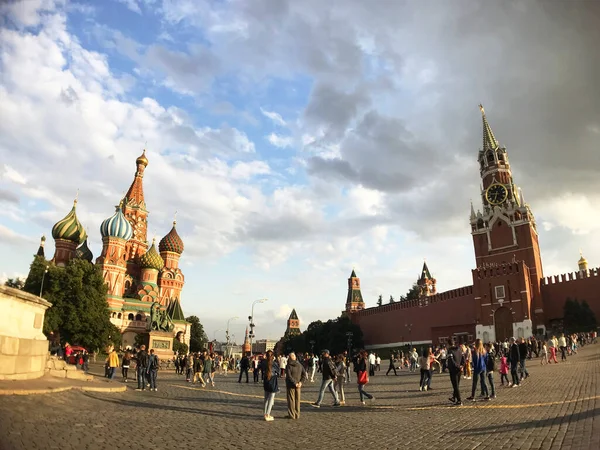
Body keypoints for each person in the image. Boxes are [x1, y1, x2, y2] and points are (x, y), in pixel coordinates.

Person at [285, 352, 307, 419]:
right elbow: (304, 374)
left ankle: (292, 414)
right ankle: (297, 414)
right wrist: (301, 382)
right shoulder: (299, 365)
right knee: (297, 400)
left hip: (291, 385)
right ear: (295, 357)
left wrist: (295, 383)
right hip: (298, 385)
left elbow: (289, 376)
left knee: (291, 400)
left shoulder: (288, 365)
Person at [446, 338, 464, 406]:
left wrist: (457, 366)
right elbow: (463, 358)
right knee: (457, 384)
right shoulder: (459, 349)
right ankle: (454, 397)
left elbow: (451, 361)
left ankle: (459, 400)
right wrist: (461, 365)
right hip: (459, 370)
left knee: (455, 386)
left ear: (448, 344)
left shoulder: (450, 351)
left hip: (453, 370)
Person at [262, 350, 280, 421]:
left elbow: (261, 369)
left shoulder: (264, 363)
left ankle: (264, 414)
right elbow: (278, 372)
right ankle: (268, 414)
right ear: (273, 356)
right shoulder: (274, 363)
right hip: (273, 381)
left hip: (266, 381)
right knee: (271, 399)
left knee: (266, 399)